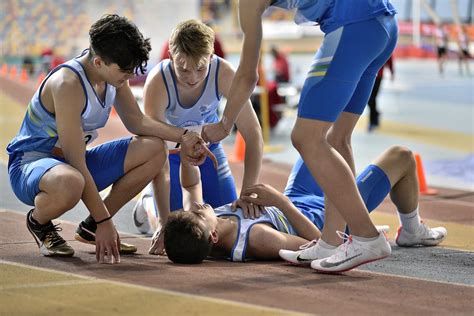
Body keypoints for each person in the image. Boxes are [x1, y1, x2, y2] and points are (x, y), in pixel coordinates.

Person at [202, 0, 399, 272]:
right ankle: (332, 239)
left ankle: (366, 235)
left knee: (306, 137)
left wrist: (225, 125)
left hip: (354, 24)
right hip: (382, 24)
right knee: (336, 137)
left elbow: (248, 75)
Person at [6, 14, 209, 264]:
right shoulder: (67, 85)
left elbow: (138, 122)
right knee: (71, 181)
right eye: (124, 72)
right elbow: (76, 161)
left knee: (155, 148)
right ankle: (39, 222)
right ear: (99, 62)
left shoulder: (111, 75)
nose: (129, 77)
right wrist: (106, 222)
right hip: (31, 165)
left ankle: (90, 228)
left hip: (71, 166)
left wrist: (185, 136)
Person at [163, 145, 447, 265]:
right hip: (332, 214)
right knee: (402, 156)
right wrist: (280, 202)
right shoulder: (259, 240)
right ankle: (411, 230)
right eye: (198, 214)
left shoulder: (202, 225)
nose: (198, 208)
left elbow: (190, 188)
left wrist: (190, 151)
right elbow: (317, 242)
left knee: (315, 134)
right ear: (212, 236)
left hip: (299, 195)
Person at [132, 20, 263, 254]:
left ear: (211, 57)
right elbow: (155, 147)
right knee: (175, 226)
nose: (192, 77)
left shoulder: (223, 73)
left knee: (228, 221)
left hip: (209, 153)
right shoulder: (158, 82)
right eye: (183, 69)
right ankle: (147, 202)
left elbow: (252, 133)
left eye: (201, 69)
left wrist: (249, 193)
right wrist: (162, 222)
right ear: (171, 56)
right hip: (169, 155)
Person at [367, 55, 394, 131]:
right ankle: (375, 115)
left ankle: (372, 121)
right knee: (369, 99)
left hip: (378, 77)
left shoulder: (384, 44)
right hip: (367, 75)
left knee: (372, 98)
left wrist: (392, 72)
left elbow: (389, 58)